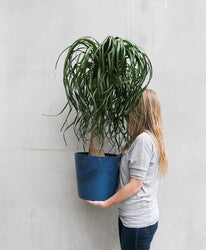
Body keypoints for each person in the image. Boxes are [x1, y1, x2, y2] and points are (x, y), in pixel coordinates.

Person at [84, 89, 168, 250]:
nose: (127, 112)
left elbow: (135, 184)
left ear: (140, 111)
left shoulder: (143, 140)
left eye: (132, 107)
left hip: (138, 222)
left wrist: (106, 203)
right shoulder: (145, 138)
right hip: (133, 218)